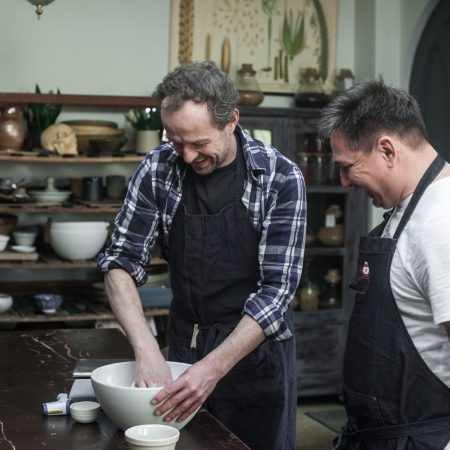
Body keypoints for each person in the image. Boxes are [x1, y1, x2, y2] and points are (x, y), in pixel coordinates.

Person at [97, 60, 306, 450]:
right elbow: (120, 262)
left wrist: (212, 368)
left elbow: (276, 292)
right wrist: (145, 347)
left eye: (199, 143)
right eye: (177, 141)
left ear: (232, 121)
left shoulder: (279, 178)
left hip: (255, 360)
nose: (188, 156)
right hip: (181, 347)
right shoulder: (158, 168)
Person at [317, 79, 450, 449]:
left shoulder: (441, 224)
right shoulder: (408, 211)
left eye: (348, 167)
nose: (344, 183)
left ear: (387, 150)